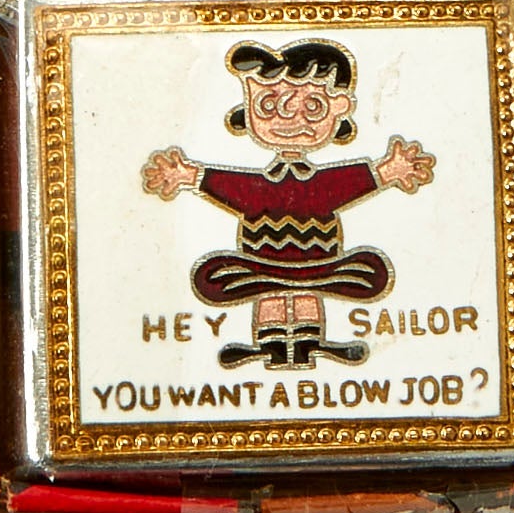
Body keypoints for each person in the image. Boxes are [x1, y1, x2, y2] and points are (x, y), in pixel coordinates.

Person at [141, 38, 434, 370]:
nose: (292, 118)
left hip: (318, 264)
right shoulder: (260, 187)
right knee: (270, 294)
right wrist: (188, 175)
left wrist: (389, 170)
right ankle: (273, 345)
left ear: (339, 110)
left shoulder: (321, 185)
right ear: (247, 109)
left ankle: (308, 341)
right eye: (269, 105)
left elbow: (350, 184)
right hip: (261, 264)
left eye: (313, 107)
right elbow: (230, 186)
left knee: (309, 292)